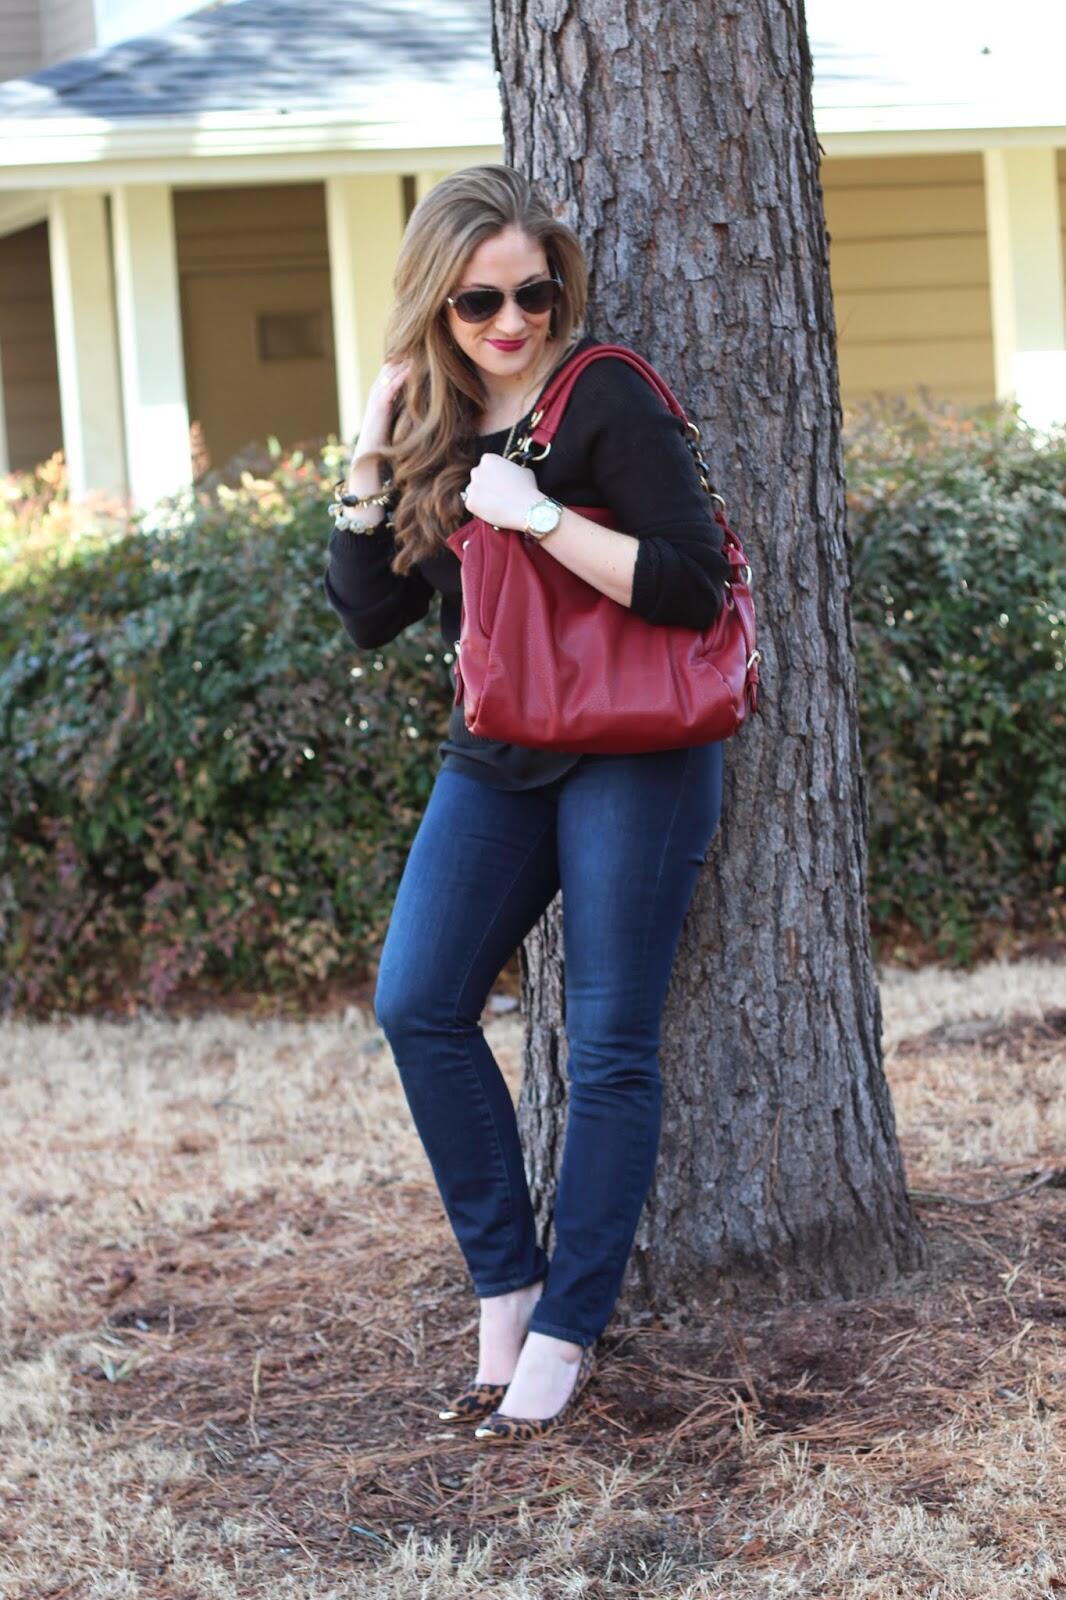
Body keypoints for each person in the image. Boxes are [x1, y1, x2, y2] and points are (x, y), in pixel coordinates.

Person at [324, 163, 729, 1444]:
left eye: (531, 293)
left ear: (559, 284)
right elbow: (368, 612)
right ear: (436, 309)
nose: (509, 322)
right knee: (418, 1002)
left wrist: (541, 514)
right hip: (497, 752)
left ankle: (566, 1327)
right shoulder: (441, 421)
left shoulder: (600, 390)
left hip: (634, 748)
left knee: (609, 1044)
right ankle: (506, 1286)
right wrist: (370, 450)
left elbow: (693, 585)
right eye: (477, 303)